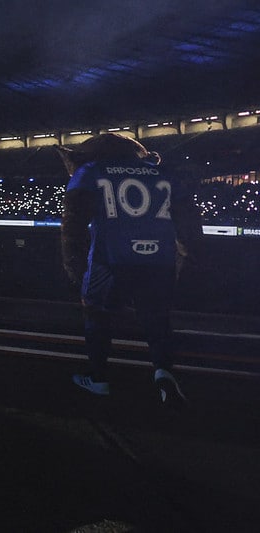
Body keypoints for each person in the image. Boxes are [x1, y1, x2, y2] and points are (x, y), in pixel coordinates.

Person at [56, 133, 203, 407]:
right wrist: (187, 259)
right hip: (159, 261)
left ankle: (98, 377)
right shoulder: (162, 172)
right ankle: (163, 372)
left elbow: (73, 225)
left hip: (110, 260)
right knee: (157, 317)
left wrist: (74, 268)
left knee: (95, 311)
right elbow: (189, 224)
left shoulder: (90, 171)